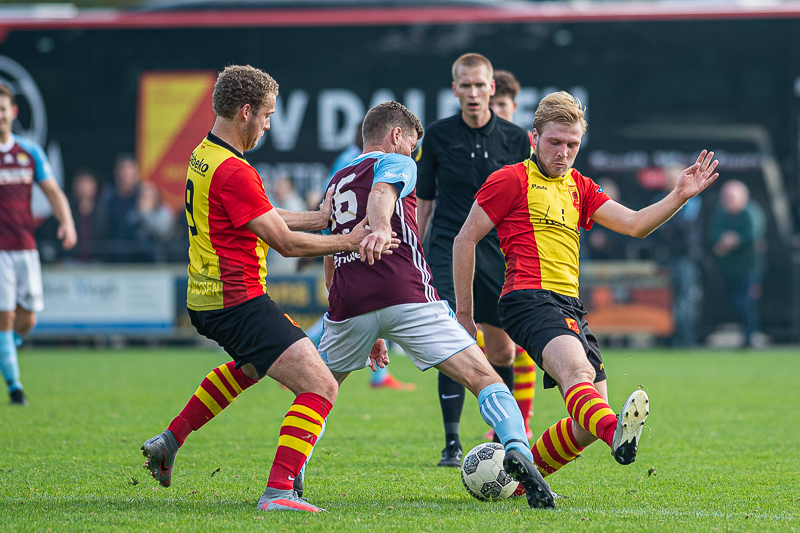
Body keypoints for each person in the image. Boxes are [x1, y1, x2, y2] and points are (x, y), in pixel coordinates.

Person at [139, 65, 396, 514]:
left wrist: (321, 218)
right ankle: (278, 492)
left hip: (209, 298)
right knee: (320, 385)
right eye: (267, 115)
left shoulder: (205, 154)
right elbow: (284, 243)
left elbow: (261, 214)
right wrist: (349, 240)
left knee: (250, 367)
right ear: (245, 112)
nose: (269, 125)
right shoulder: (235, 171)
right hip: (237, 301)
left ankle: (169, 441)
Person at [453, 91, 718, 482]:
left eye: (572, 144)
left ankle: (520, 485)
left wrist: (678, 195)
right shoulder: (510, 179)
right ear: (534, 138)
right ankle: (617, 435)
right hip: (528, 299)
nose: (563, 152)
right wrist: (464, 313)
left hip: (570, 307)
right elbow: (464, 240)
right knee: (578, 375)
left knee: (586, 422)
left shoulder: (580, 185)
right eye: (554, 142)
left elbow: (635, 225)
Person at [316, 100, 556, 510]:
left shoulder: (337, 180)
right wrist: (381, 229)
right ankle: (517, 448)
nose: (413, 153)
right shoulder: (397, 162)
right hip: (405, 291)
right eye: (412, 144)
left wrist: (355, 313)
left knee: (316, 391)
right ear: (396, 136)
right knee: (485, 378)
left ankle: (290, 476)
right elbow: (382, 193)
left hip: (347, 300)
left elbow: (329, 251)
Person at [416, 53, 532, 467]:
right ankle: (451, 443)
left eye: (479, 85)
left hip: (497, 251)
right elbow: (424, 201)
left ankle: (506, 437)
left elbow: (525, 204)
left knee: (503, 350)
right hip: (448, 248)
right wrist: (415, 249)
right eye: (465, 85)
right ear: (455, 90)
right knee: (454, 340)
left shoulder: (516, 139)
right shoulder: (437, 135)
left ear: (491, 88)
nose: (473, 92)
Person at [0, 83, 77, 405]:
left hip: (26, 247)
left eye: (3, 109)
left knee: (28, 319)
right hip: (1, 252)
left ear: (13, 112)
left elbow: (53, 192)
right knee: (5, 318)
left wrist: (67, 222)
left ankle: (6, 348)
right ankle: (15, 387)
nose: (0, 115)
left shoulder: (29, 151)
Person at [487, 68, 536, 440]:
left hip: (516, 253)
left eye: (502, 105)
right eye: (493, 105)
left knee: (520, 343)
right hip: (483, 251)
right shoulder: (473, 144)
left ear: (514, 107)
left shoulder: (526, 146)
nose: (497, 111)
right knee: (488, 340)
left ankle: (522, 420)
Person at [709, 180, 766, 347]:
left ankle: (750, 336)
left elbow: (753, 234)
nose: (727, 201)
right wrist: (723, 241)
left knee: (745, 303)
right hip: (728, 269)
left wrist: (732, 241)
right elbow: (713, 233)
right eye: (725, 198)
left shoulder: (751, 212)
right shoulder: (721, 213)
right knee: (734, 303)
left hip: (749, 269)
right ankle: (744, 334)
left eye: (731, 198)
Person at [98, 154, 141, 262]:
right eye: (122, 171)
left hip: (140, 258)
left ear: (136, 174)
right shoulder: (107, 197)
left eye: (128, 172)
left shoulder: (143, 196)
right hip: (112, 257)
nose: (125, 176)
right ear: (116, 173)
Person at [68, 168, 105, 262]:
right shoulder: (67, 211)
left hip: (97, 261)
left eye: (87, 184)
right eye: (81, 184)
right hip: (71, 261)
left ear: (95, 187)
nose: (84, 188)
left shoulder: (104, 211)